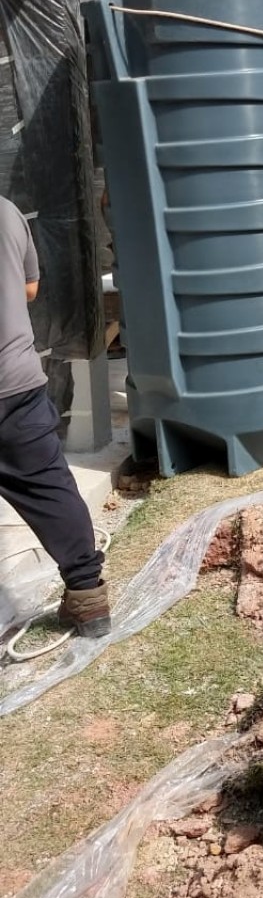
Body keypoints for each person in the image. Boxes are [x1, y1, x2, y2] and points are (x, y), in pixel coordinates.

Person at [0, 195, 110, 636]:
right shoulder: (6, 211)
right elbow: (30, 288)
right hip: (16, 382)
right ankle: (88, 600)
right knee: (49, 487)